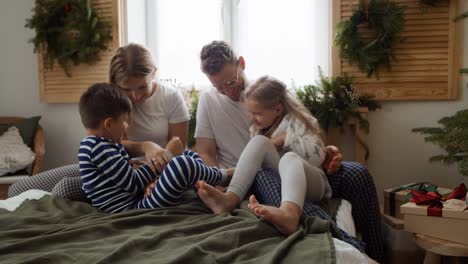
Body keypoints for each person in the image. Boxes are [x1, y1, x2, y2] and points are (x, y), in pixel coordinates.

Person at [195, 40, 383, 262]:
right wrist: (218, 177)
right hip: (251, 176)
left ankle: (378, 251)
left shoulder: (268, 93)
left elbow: (312, 141)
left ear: (242, 64)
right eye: (219, 87)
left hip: (297, 169)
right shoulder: (210, 101)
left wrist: (317, 149)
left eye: (230, 82)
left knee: (357, 173)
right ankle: (233, 200)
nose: (227, 91)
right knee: (267, 163)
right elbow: (205, 151)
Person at [9, 43, 190, 201]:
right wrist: (145, 146)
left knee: (62, 190)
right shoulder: (113, 101)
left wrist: (158, 179)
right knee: (18, 189)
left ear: (154, 74)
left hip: (150, 174)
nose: (136, 96)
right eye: (127, 89)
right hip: (111, 168)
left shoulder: (171, 98)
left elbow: (178, 147)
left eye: (142, 86)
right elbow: (112, 143)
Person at [198, 76, 332, 236]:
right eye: (249, 113)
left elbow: (319, 156)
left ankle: (289, 214)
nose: (251, 118)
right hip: (283, 179)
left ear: (277, 109)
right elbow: (253, 164)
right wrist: (224, 176)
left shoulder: (297, 122)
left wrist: (285, 139)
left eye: (257, 113)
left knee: (289, 158)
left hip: (313, 182)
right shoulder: (257, 129)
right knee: (259, 141)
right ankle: (229, 199)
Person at [78, 83, 232, 213]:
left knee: (187, 156)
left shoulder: (102, 145)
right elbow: (133, 184)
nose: (127, 126)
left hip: (139, 198)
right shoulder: (97, 147)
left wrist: (151, 176)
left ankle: (204, 187)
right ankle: (223, 176)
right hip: (133, 209)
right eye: (124, 121)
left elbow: (125, 177)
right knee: (181, 165)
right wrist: (167, 155)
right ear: (109, 124)